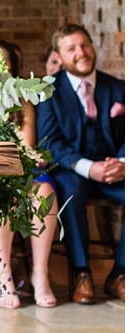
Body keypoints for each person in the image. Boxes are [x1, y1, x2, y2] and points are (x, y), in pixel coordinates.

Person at [36, 22, 125, 304]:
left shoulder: (117, 87)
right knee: (70, 192)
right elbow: (50, 144)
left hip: (113, 171)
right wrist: (89, 167)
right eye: (71, 49)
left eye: (84, 45)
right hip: (72, 171)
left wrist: (122, 161)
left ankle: (120, 274)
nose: (81, 53)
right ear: (59, 57)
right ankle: (81, 272)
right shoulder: (48, 90)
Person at [0, 40, 60, 309]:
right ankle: (3, 272)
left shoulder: (22, 101)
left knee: (45, 191)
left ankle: (40, 273)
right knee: (3, 197)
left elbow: (26, 146)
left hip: (21, 167)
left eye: (4, 63)